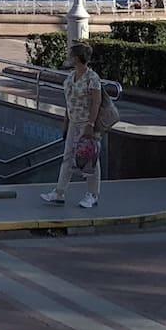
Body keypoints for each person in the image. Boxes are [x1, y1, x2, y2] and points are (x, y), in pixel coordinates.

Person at [41, 41, 105, 210]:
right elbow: (68, 103)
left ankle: (93, 194)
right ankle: (59, 192)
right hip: (73, 122)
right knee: (68, 157)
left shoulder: (92, 78)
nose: (69, 58)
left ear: (77, 58)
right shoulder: (70, 78)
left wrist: (90, 125)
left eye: (71, 55)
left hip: (87, 124)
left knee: (90, 159)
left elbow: (96, 103)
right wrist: (66, 122)